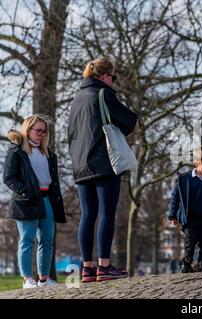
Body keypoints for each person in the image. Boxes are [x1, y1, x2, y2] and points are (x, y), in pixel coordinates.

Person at [68, 58, 137, 283]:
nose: (112, 81)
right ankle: (104, 266)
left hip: (80, 164)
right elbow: (128, 120)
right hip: (104, 162)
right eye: (112, 77)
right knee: (107, 212)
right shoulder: (103, 94)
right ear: (104, 76)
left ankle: (87, 268)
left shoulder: (76, 99)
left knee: (88, 215)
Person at [3, 115, 66, 288]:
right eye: (39, 130)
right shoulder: (16, 152)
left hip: (47, 200)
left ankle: (44, 280)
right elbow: (8, 178)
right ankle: (27, 280)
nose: (42, 134)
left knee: (47, 240)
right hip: (26, 202)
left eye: (44, 131)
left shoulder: (48, 153)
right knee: (27, 239)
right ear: (27, 130)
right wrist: (25, 192)